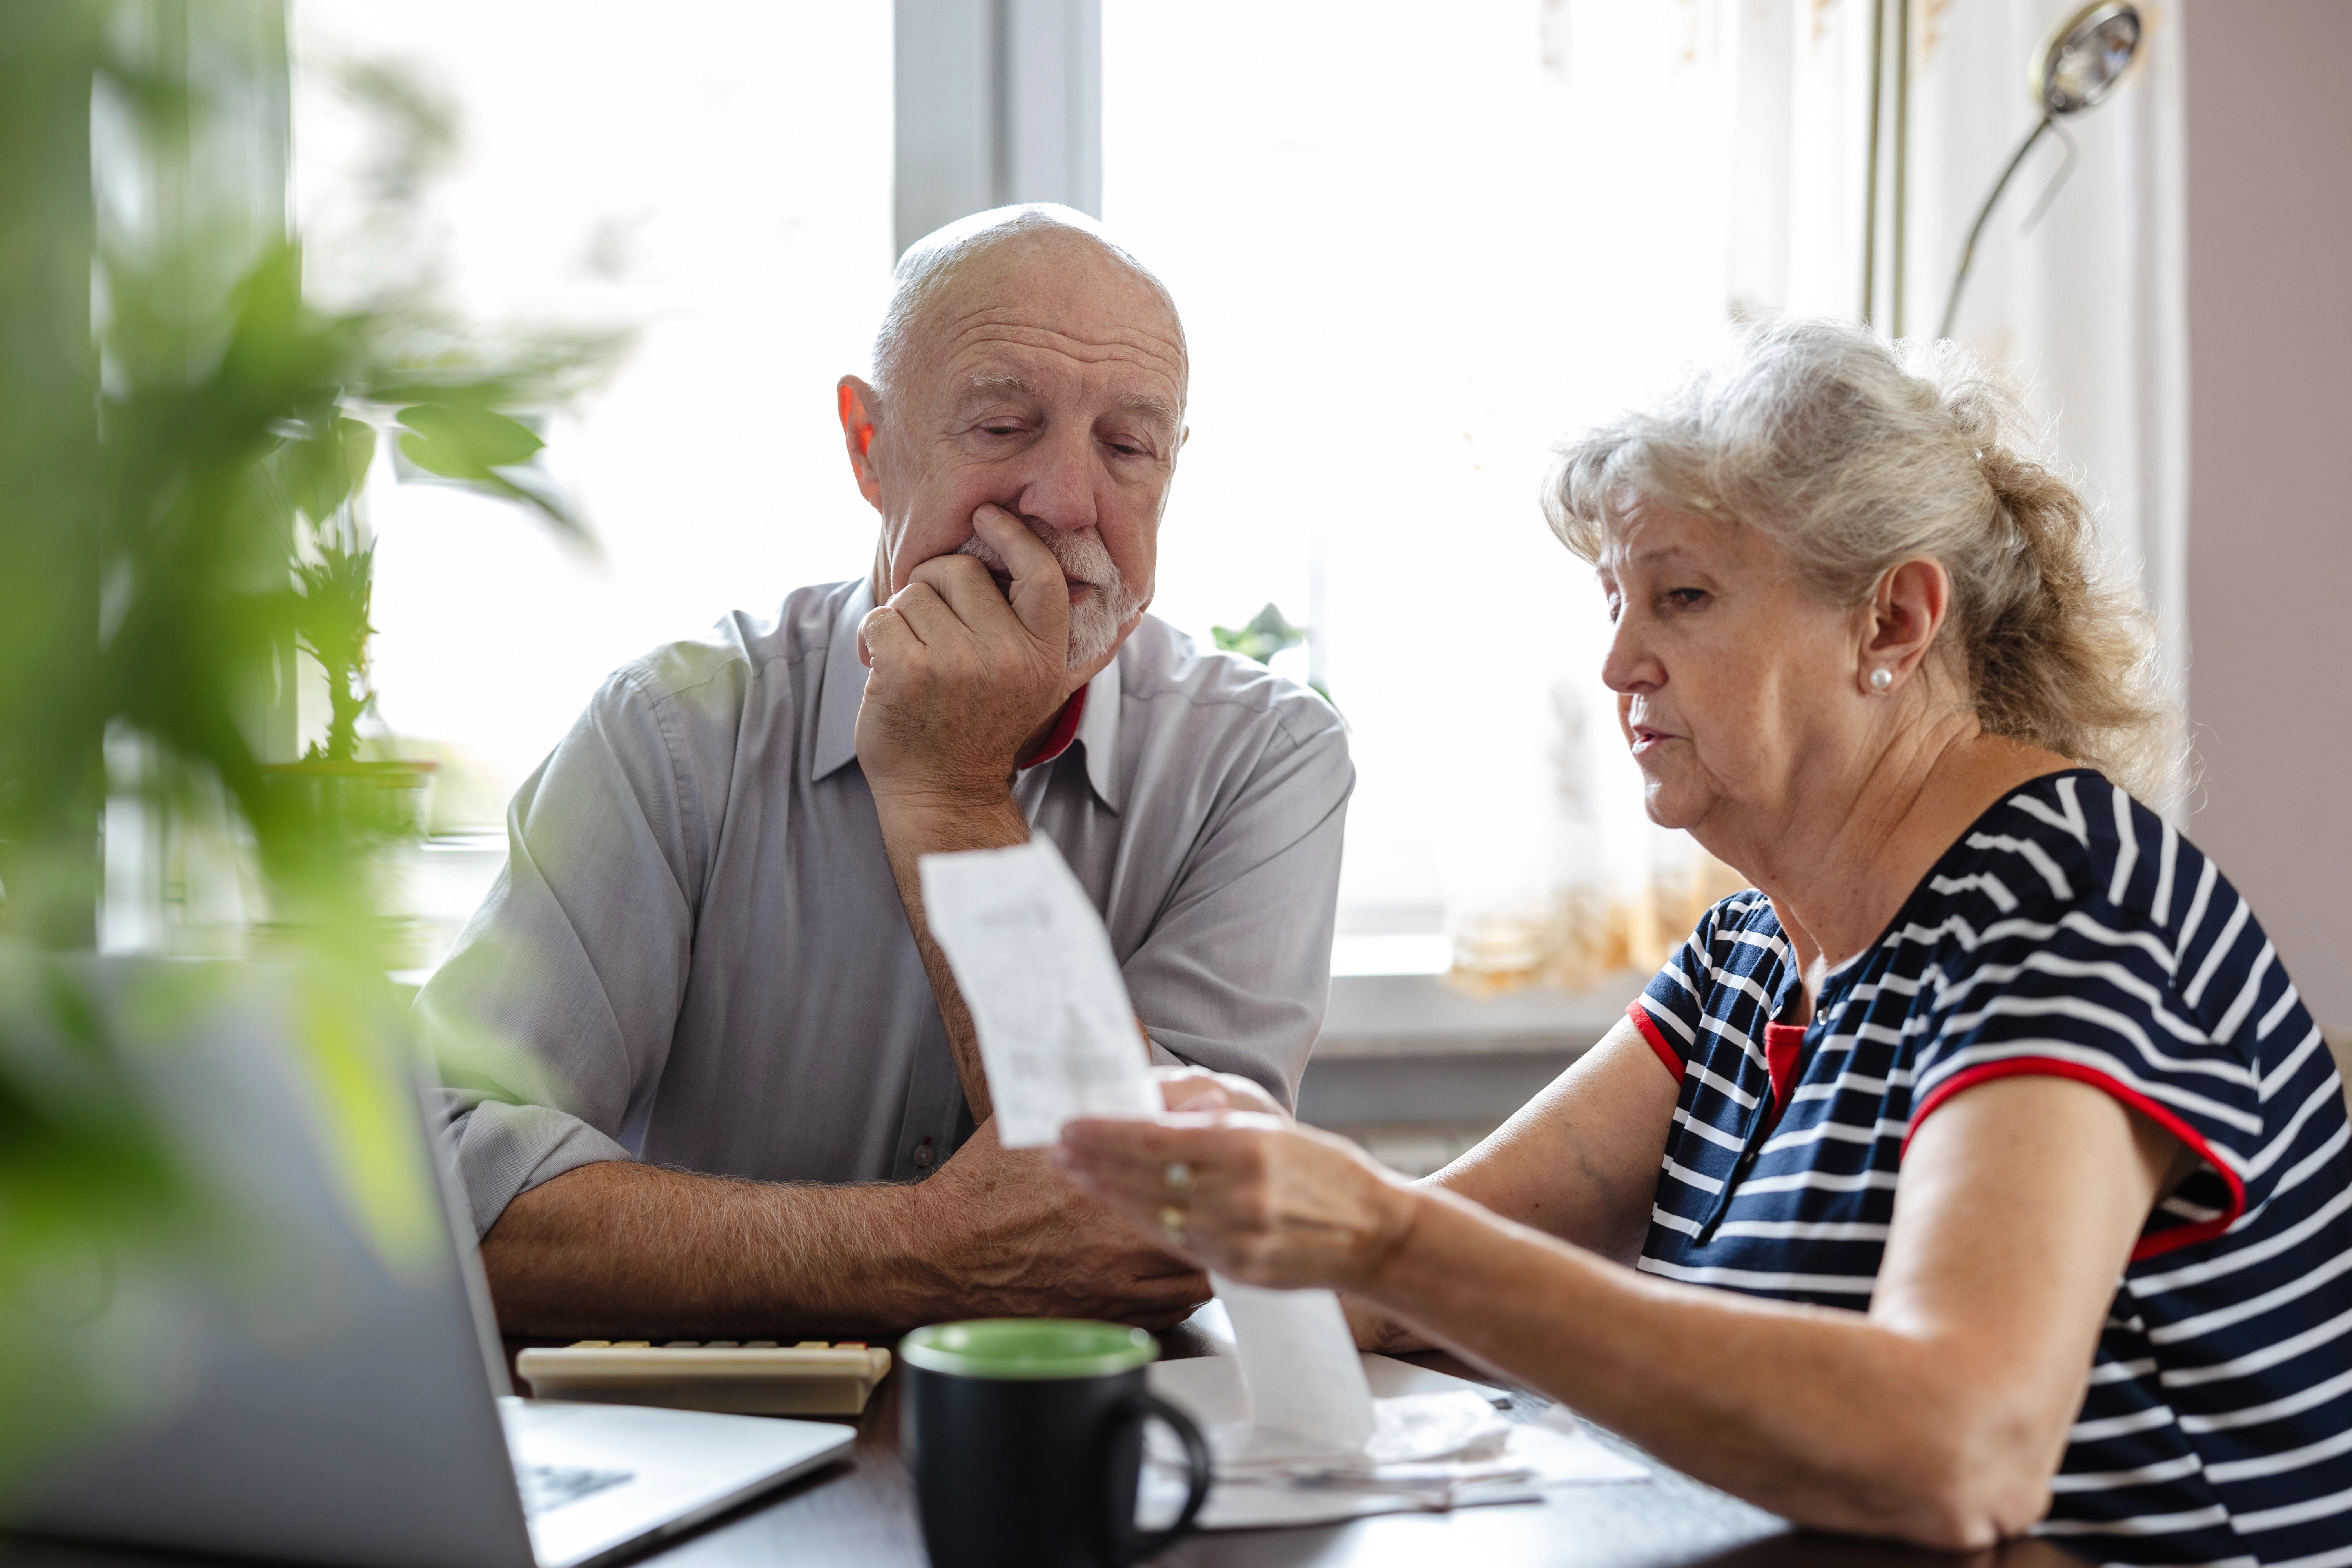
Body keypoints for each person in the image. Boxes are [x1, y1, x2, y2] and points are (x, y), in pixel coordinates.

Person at [1057, 319, 2352, 1565]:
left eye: (1682, 597)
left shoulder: (2064, 908)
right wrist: (1229, 1188)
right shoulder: (1750, 956)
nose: (1620, 663)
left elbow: (1961, 1447)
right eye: (1617, 602)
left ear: (1893, 624)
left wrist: (1380, 1233)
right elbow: (1390, 1291)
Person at [418, 205, 1351, 1339]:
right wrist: (918, 1259)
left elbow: (1168, 1222)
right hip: (701, 1463)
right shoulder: (674, 734)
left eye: (1127, 447)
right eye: (1004, 425)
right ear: (869, 446)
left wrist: (951, 799)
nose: (1065, 502)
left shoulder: (1264, 759)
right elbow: (445, 1199)